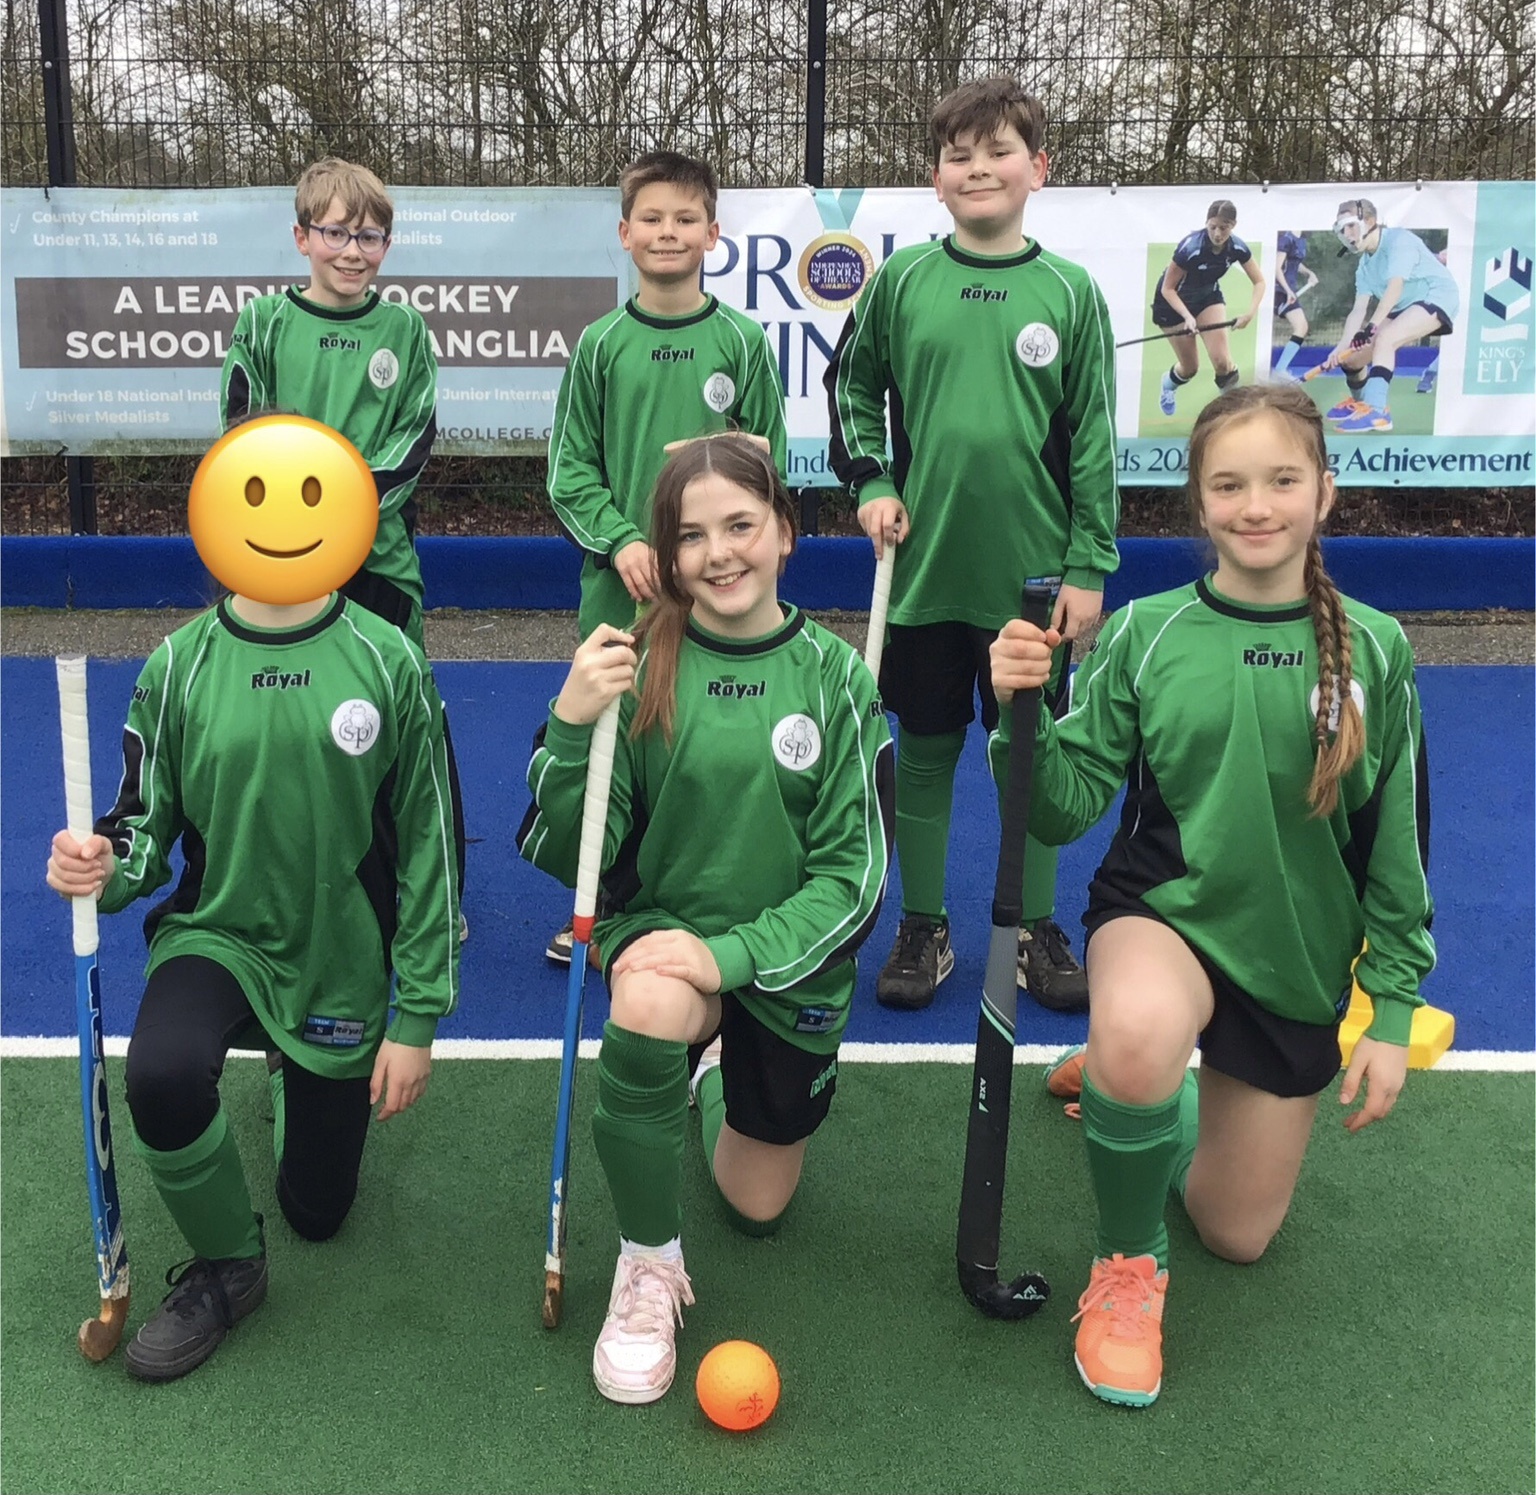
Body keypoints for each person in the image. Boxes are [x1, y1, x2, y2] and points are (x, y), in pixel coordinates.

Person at [988, 381, 1434, 1409]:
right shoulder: (1147, 631)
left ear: (1325, 490)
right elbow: (1061, 810)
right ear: (1198, 502)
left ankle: (1146, 1087)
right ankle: (1127, 1264)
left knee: (1238, 1233)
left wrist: (1393, 1004)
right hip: (1166, 915)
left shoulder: (1377, 647)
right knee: (1140, 1026)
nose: (1256, 505)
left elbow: (1397, 841)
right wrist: (1023, 714)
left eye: (1282, 480)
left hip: (1294, 957)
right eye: (1229, 485)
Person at [44, 458, 461, 1383]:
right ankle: (229, 1267)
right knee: (160, 1074)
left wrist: (418, 1014)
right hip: (218, 932)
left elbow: (432, 844)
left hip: (339, 955)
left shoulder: (390, 660)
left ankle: (291, 1066)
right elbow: (141, 826)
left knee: (319, 1210)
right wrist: (101, 866)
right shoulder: (179, 664)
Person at [518, 434, 893, 1405]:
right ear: (668, 554)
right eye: (692, 535)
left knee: (757, 1206)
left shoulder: (837, 680)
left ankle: (718, 1067)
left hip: (784, 965)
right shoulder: (636, 665)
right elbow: (572, 853)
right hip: (665, 942)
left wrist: (730, 957)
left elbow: (854, 881)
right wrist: (572, 722)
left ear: (786, 532)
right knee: (644, 999)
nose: (719, 552)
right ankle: (648, 1263)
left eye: (741, 525)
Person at [824, 74, 1117, 1014]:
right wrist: (872, 481)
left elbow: (1095, 441)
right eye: (960, 156)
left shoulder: (1070, 292)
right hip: (924, 575)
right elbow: (849, 386)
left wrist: (1088, 565)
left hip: (1033, 584)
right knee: (924, 748)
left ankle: (1032, 925)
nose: (979, 168)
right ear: (935, 177)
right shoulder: (903, 280)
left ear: (1039, 168)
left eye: (999, 152)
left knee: (1029, 753)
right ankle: (925, 924)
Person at [542, 149, 788, 965]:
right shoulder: (600, 344)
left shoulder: (742, 340)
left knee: (702, 735)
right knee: (618, 738)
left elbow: (773, 462)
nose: (668, 231)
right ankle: (604, 898)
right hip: (625, 589)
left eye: (686, 218)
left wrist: (730, 508)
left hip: (715, 586)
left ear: (713, 234)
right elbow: (569, 471)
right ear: (625, 233)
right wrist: (621, 539)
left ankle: (715, 892)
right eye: (651, 218)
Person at [219, 157, 468, 931]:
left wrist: (343, 523)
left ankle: (433, 894)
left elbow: (412, 441)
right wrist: (297, 532)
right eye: (336, 233)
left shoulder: (404, 331)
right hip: (280, 562)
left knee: (407, 716)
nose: (353, 251)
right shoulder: (263, 323)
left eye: (370, 237)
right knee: (282, 719)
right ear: (303, 237)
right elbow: (243, 432)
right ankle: (281, 881)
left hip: (379, 561)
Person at [1321, 199, 1459, 432]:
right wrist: (1341, 347)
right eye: (1342, 230)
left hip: (1436, 296)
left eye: (1351, 226)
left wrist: (1372, 326)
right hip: (1403, 305)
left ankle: (1377, 412)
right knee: (1351, 359)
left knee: (1386, 338)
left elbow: (1395, 287)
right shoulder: (1364, 266)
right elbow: (1358, 309)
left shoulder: (1399, 241)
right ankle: (1361, 404)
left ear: (1370, 222)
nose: (1347, 234)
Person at [1151, 199, 1267, 415]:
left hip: (1207, 297)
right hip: (1171, 305)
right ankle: (1168, 384)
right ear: (1206, 223)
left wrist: (1249, 314)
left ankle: (1232, 414)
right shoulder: (1190, 248)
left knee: (1223, 363)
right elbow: (1168, 289)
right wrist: (1187, 316)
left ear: (1233, 225)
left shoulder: (1237, 248)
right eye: (1212, 227)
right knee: (1190, 368)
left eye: (1224, 228)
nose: (1217, 233)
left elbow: (1259, 281)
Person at [1271, 229, 1319, 379]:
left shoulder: (1301, 238)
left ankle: (1280, 370)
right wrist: (1287, 290)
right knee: (1301, 326)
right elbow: (1277, 267)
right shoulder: (1286, 238)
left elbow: (1294, 263)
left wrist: (1309, 273)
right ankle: (1279, 371)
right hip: (1279, 291)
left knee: (1302, 327)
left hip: (1289, 291)